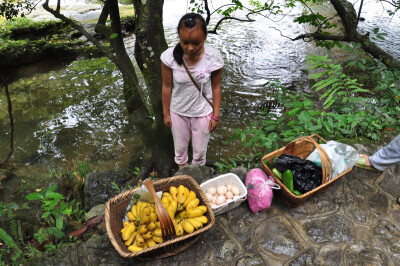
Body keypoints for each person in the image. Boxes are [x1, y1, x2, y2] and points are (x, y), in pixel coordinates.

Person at [161, 13, 223, 168]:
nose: (190, 48)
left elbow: (216, 87)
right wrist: (166, 113)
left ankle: (197, 174)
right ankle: (183, 174)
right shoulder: (169, 58)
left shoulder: (213, 58)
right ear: (179, 38)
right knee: (180, 149)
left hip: (202, 113)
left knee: (200, 151)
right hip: (178, 112)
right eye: (185, 42)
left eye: (196, 43)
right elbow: (166, 87)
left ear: (205, 36)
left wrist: (215, 116)